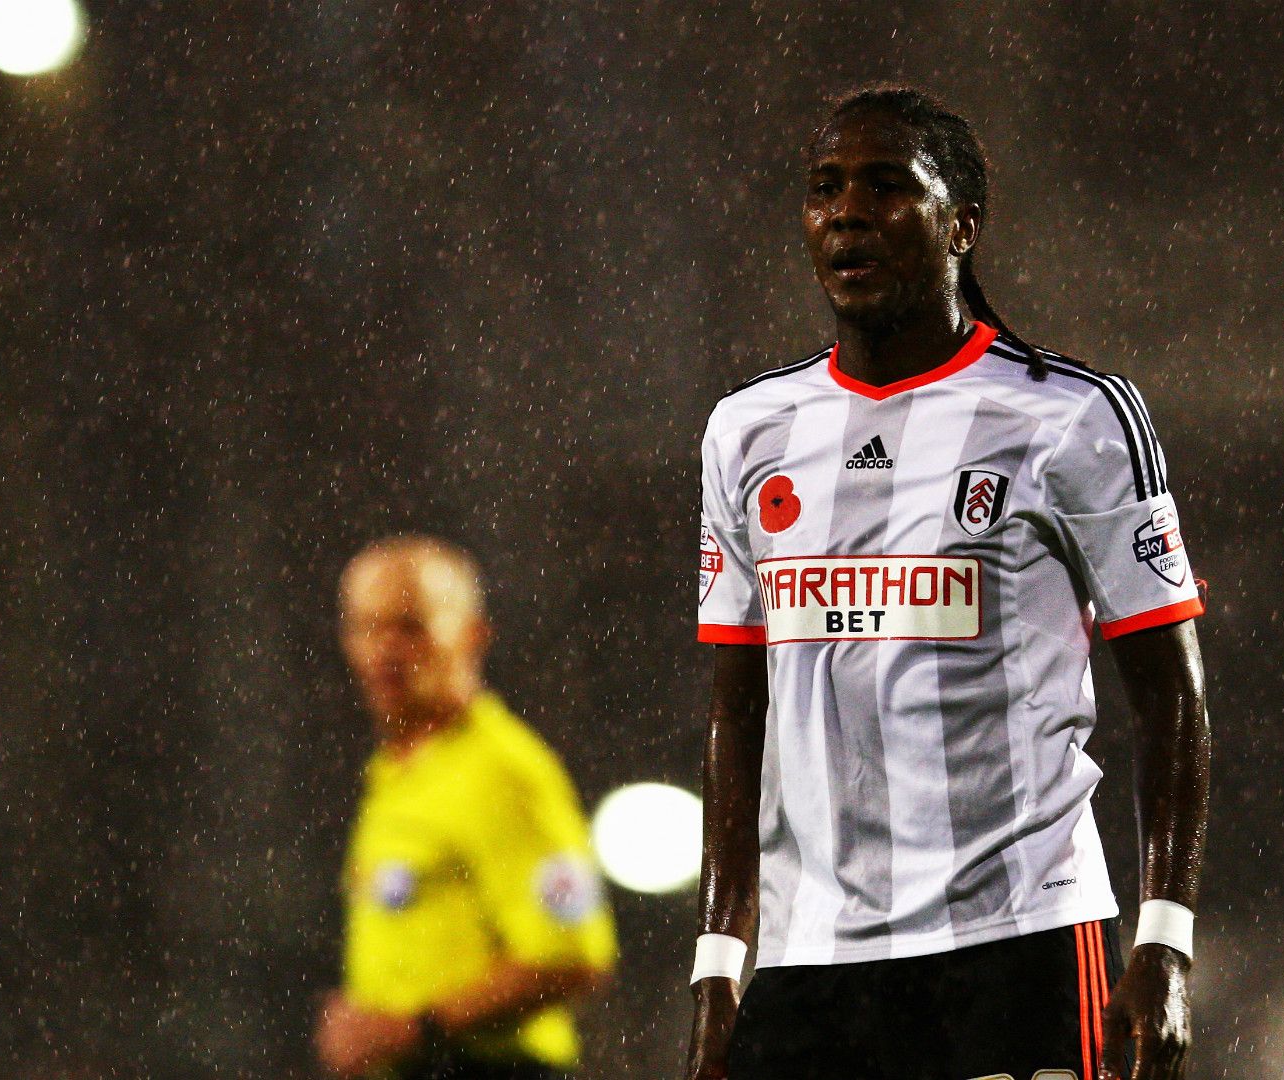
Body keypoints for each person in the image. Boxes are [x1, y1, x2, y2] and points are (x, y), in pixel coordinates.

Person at [686, 86, 1212, 1080]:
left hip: (1015, 943)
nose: (846, 212)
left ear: (963, 222)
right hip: (813, 959)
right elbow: (735, 710)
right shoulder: (748, 432)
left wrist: (1166, 936)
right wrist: (719, 961)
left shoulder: (1073, 418)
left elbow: (1170, 692)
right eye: (825, 189)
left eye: (886, 187)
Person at [317, 536, 616, 1080]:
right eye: (367, 627)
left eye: (410, 628)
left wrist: (414, 1028)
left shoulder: (505, 772)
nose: (385, 651)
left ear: (473, 636)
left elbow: (572, 954)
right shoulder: (394, 774)